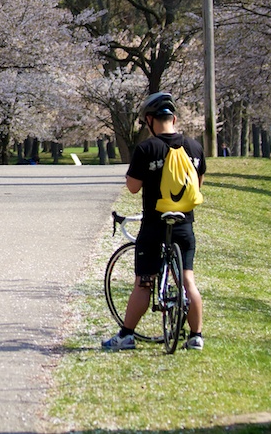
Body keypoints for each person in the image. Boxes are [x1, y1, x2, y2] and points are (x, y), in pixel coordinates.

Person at [102, 91, 207, 351]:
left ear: (150, 120)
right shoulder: (194, 147)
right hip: (184, 225)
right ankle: (196, 336)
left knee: (144, 282)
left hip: (154, 224)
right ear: (174, 117)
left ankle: (126, 335)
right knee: (187, 280)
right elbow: (199, 185)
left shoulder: (147, 148)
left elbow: (134, 187)